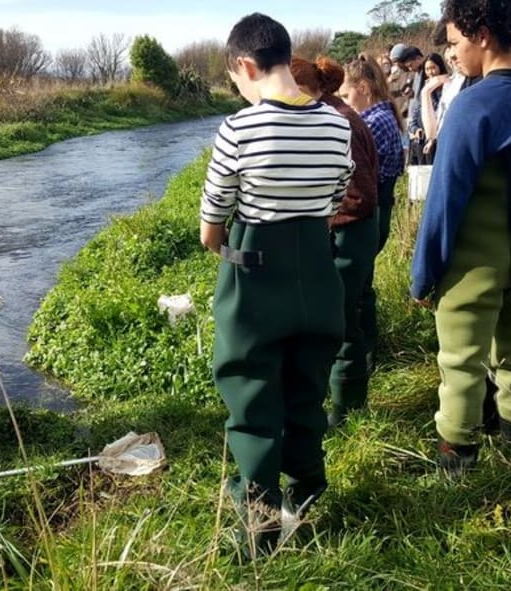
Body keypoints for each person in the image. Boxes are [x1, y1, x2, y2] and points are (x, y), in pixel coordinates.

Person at [199, 12, 353, 560]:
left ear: (245, 65)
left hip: (255, 279)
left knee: (252, 397)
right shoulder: (338, 124)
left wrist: (230, 249)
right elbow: (334, 204)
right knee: (307, 392)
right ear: (287, 59)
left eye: (234, 77)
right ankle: (307, 503)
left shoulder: (238, 129)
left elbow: (210, 227)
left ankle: (258, 530)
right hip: (317, 271)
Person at [409, 0, 511, 476]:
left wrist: (424, 277)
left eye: (457, 42)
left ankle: (456, 463)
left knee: (460, 363)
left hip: (475, 262)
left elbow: (444, 201)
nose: (454, 54)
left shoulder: (473, 106)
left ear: (482, 34)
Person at [290, 55, 379, 428]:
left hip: (351, 233)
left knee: (342, 322)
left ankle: (346, 412)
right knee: (348, 314)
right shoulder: (333, 113)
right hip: (352, 231)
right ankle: (348, 399)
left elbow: (359, 196)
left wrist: (321, 221)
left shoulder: (336, 121)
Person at [339, 56, 405, 377]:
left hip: (372, 212)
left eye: (346, 94)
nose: (344, 102)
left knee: (359, 288)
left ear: (363, 88)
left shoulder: (370, 122)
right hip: (381, 208)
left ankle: (363, 355)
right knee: (364, 285)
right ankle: (369, 351)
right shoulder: (383, 114)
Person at [410, 53, 449, 161]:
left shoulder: (448, 88)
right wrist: (416, 130)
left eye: (433, 68)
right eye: (427, 69)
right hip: (425, 144)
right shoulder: (423, 92)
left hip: (443, 141)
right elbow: (413, 121)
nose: (430, 72)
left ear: (440, 67)